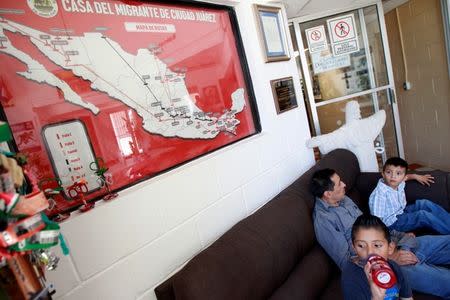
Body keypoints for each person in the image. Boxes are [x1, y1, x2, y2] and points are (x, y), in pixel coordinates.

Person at [311, 168, 450, 298]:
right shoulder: (324, 221)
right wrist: (390, 258)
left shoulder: (344, 199)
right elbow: (346, 261)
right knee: (446, 281)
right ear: (327, 194)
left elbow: (374, 226)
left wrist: (399, 236)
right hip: (382, 265)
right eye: (339, 183)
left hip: (393, 244)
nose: (344, 184)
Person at [369, 157, 450, 234]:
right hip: (391, 223)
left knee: (424, 203)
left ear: (403, 177)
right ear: (383, 174)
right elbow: (377, 219)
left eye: (398, 173)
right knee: (422, 215)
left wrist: (416, 176)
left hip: (400, 211)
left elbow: (407, 177)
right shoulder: (380, 193)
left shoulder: (399, 181)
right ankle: (447, 230)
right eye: (388, 172)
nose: (393, 176)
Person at [341, 214, 412, 300]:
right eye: (361, 245)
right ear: (354, 248)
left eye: (377, 245)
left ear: (390, 248)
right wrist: (376, 298)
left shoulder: (394, 267)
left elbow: (407, 297)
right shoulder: (351, 279)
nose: (370, 252)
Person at [306, 101, 386, 172]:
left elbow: (328, 138)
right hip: (373, 166)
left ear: (347, 113)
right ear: (358, 111)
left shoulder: (345, 131)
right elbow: (382, 114)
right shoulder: (368, 124)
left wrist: (311, 141)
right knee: (373, 179)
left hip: (359, 169)